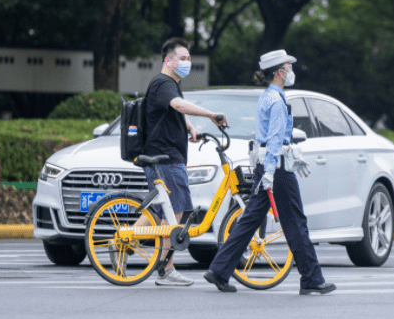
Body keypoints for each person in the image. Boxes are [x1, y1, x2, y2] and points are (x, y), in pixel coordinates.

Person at [204, 50, 336, 295]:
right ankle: (311, 278)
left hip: (267, 166)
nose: (291, 70)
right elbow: (275, 138)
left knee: (250, 220)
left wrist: (271, 167)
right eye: (288, 66)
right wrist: (272, 171)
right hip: (277, 171)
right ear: (280, 72)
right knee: (296, 222)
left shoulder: (267, 97)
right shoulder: (277, 101)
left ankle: (219, 270)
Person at [142, 37, 229, 286]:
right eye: (182, 58)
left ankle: (125, 241)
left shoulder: (169, 84)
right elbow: (178, 105)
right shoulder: (163, 83)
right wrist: (210, 115)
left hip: (166, 157)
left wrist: (190, 127)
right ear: (168, 60)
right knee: (176, 212)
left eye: (189, 58)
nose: (187, 62)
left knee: (163, 213)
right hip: (166, 158)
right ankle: (166, 269)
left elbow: (172, 111)